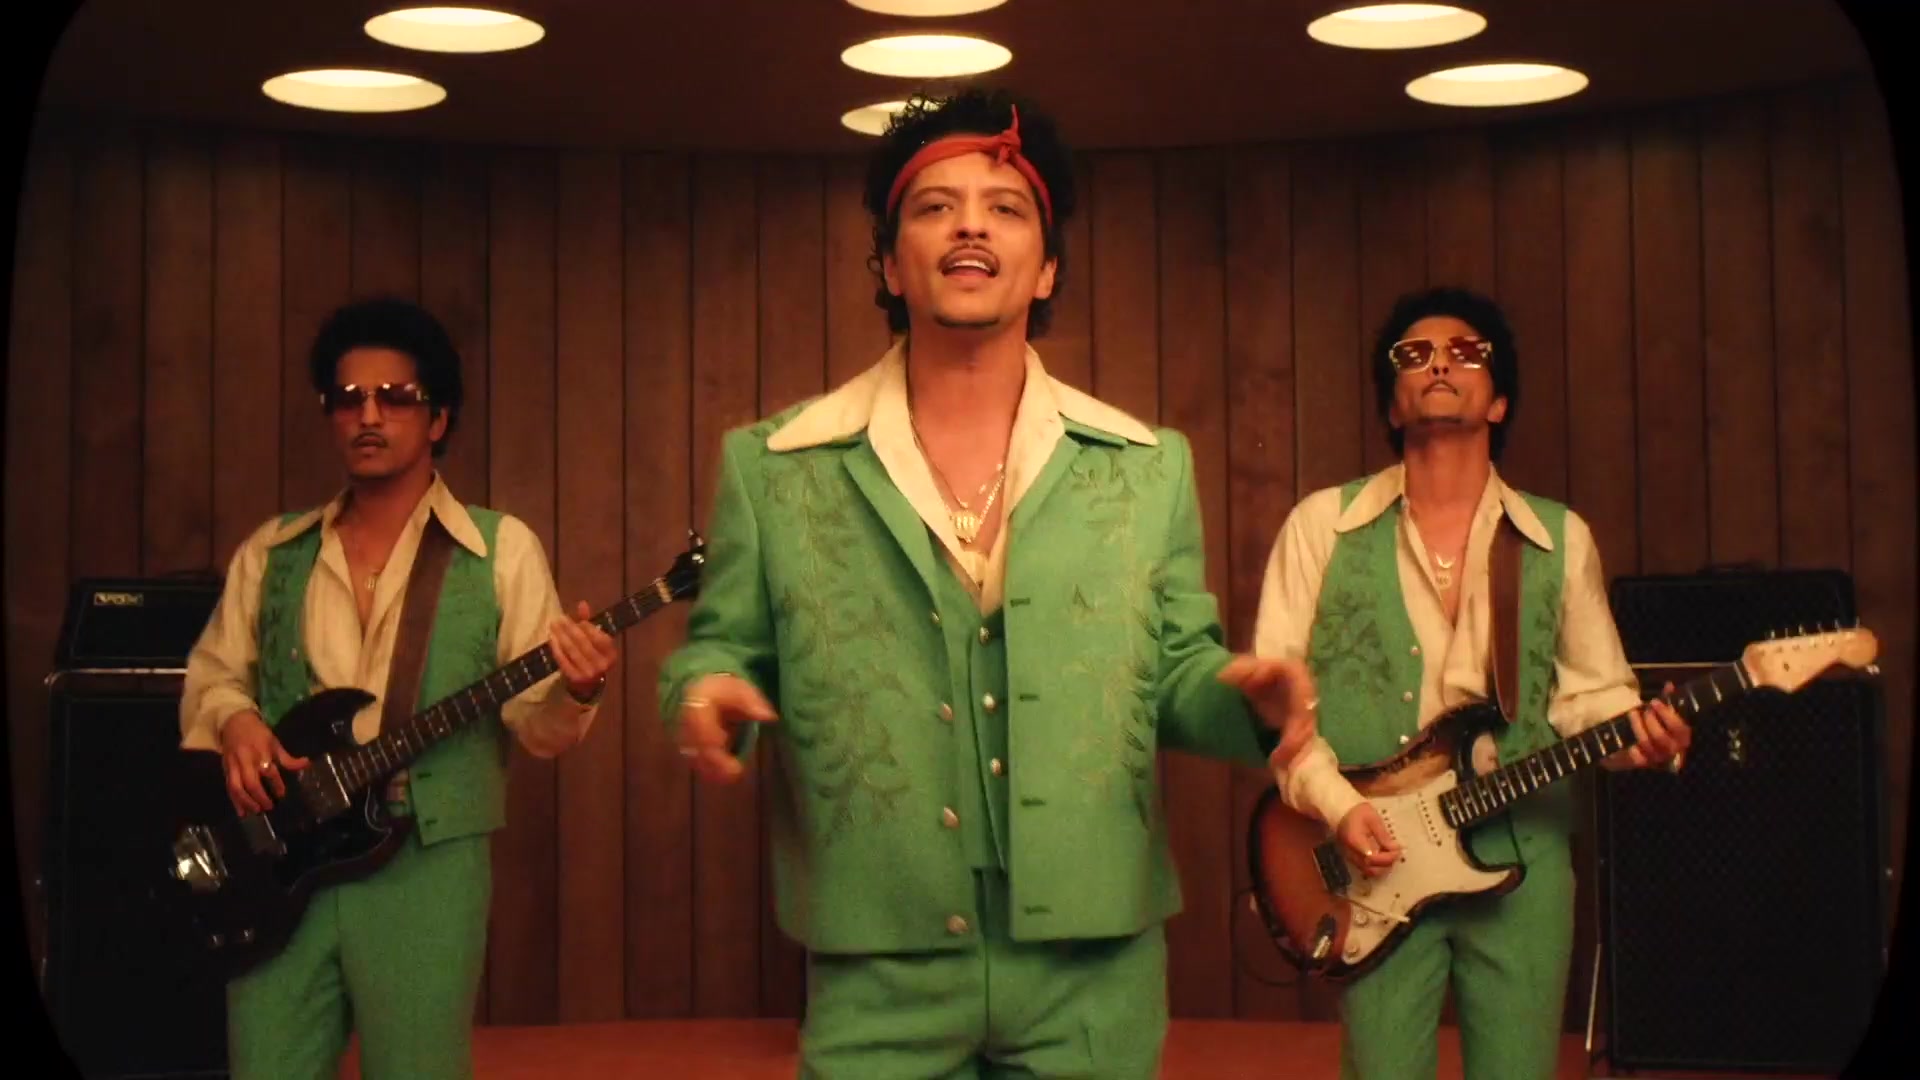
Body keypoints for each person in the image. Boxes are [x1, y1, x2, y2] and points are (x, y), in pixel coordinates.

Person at [658, 87, 1318, 1079]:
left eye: (1005, 208)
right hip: (876, 958)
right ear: (890, 263)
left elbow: (1177, 667)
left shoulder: (1145, 466)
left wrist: (1249, 706)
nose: (970, 224)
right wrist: (702, 691)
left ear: (1046, 266)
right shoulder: (775, 465)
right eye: (936, 206)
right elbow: (721, 646)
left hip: (1092, 966)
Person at [1253, 286, 1693, 1079]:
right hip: (1373, 860)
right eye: (1413, 355)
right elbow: (1279, 713)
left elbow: (1594, 702)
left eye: (1466, 352)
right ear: (1392, 403)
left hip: (1525, 860)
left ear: (1499, 401)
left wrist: (1644, 741)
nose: (1439, 364)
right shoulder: (1320, 527)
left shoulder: (1558, 539)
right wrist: (1341, 809)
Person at [178, 297, 618, 1080]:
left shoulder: (499, 550)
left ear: (438, 418)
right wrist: (235, 722)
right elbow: (215, 674)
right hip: (278, 862)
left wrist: (577, 689)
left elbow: (538, 726)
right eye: (348, 399)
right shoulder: (272, 551)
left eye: (396, 397)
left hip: (427, 862)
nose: (369, 415)